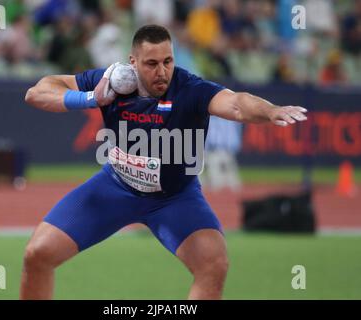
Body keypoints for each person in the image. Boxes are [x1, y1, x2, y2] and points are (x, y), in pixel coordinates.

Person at [22, 24, 307, 300]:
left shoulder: (189, 89)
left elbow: (236, 103)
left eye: (168, 61)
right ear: (133, 62)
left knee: (214, 264)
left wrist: (271, 111)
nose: (162, 72)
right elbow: (37, 93)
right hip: (115, 187)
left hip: (174, 199)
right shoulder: (112, 81)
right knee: (37, 254)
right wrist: (90, 98)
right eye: (151, 63)